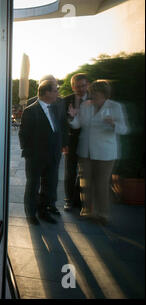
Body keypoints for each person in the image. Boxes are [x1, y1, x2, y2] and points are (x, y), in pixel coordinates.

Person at [68, 80, 128, 225]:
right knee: (86, 183)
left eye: (95, 94)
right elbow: (77, 125)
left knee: (101, 184)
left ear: (104, 94)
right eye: (92, 93)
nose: (92, 97)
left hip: (105, 153)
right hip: (86, 151)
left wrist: (113, 123)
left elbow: (124, 129)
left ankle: (103, 214)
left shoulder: (115, 107)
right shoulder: (85, 105)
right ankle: (88, 211)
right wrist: (72, 116)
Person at [19, 80, 68, 225]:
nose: (57, 93)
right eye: (55, 90)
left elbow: (62, 127)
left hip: (54, 153)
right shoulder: (30, 110)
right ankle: (31, 213)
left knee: (50, 184)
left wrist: (64, 145)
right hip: (35, 156)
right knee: (33, 185)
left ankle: (44, 211)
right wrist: (29, 153)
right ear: (46, 92)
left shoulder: (57, 107)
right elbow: (24, 134)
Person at [63, 73, 90, 212]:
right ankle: (68, 200)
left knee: (84, 172)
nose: (81, 89)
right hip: (71, 142)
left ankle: (78, 199)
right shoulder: (66, 101)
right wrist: (63, 144)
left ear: (88, 85)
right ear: (73, 87)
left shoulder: (95, 99)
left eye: (83, 85)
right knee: (70, 172)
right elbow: (61, 124)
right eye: (77, 86)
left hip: (90, 142)